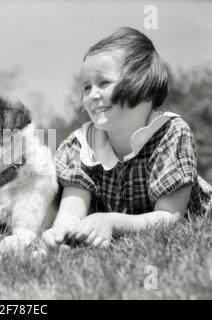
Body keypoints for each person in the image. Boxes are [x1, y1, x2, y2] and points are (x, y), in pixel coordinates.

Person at [43, 27, 212, 249]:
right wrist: (62, 232)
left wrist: (112, 222)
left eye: (103, 83)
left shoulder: (170, 134)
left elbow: (169, 218)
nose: (92, 95)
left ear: (143, 84)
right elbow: (72, 210)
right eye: (86, 87)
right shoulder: (82, 145)